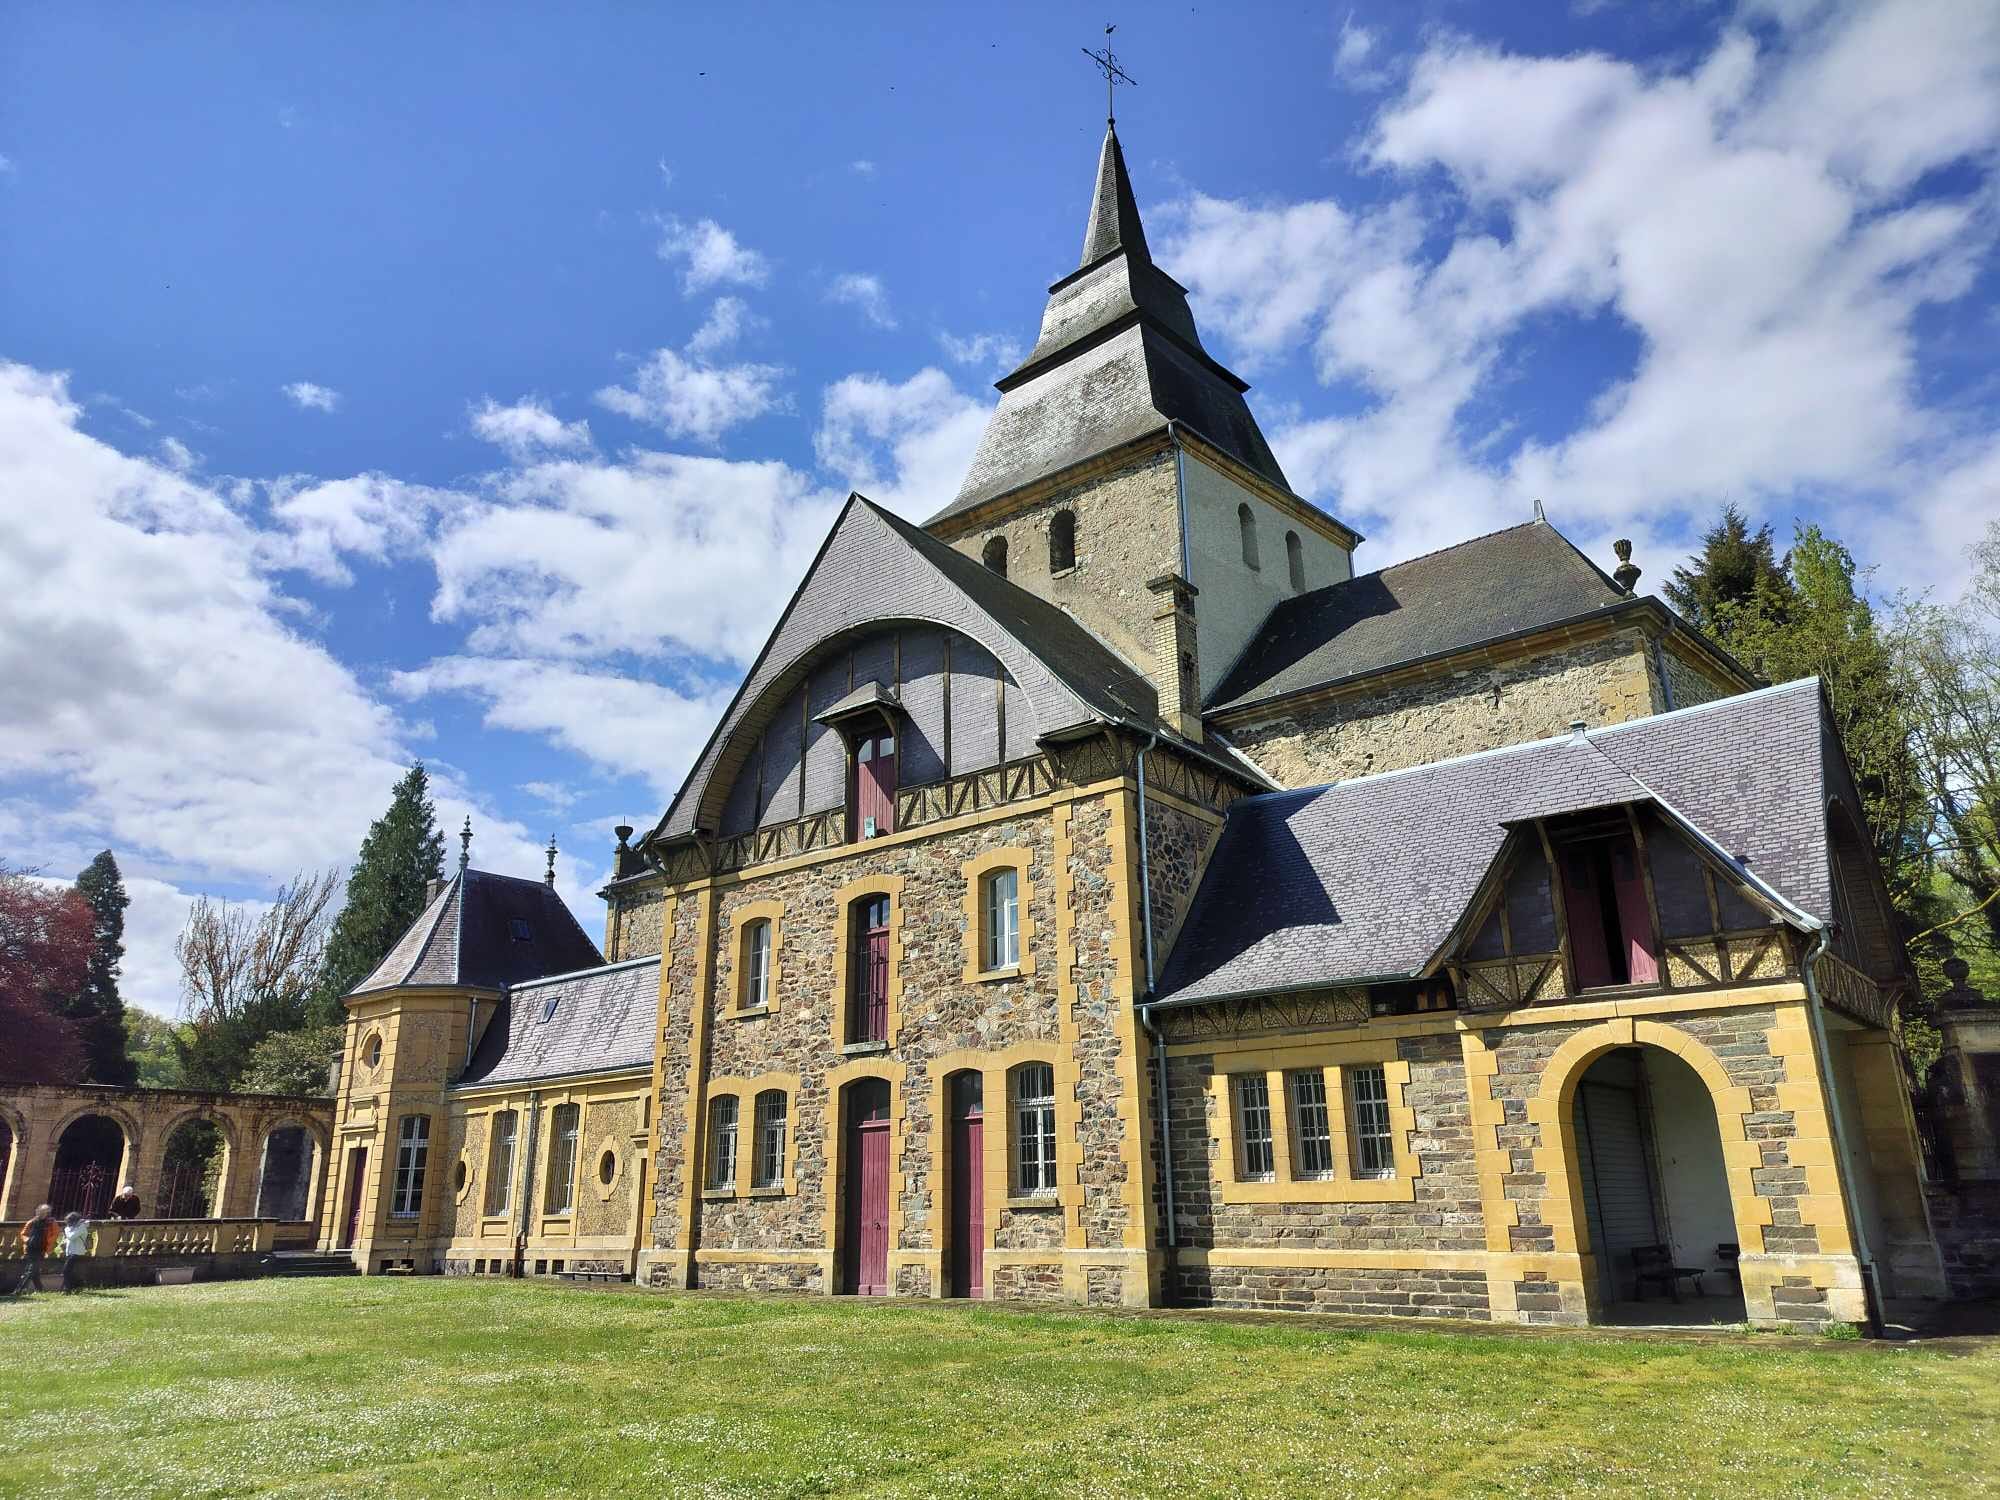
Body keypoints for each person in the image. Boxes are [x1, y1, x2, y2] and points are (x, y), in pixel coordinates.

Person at [12, 1205, 58, 1296]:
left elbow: (55, 1234)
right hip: (30, 1248)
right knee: (34, 1271)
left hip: (41, 1249)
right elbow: (23, 1233)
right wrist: (27, 1240)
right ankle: (40, 1290)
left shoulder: (51, 1222)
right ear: (38, 1212)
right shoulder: (32, 1221)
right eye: (42, 1211)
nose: (44, 1213)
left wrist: (47, 1242)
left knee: (30, 1270)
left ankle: (18, 1291)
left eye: (46, 1212)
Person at [60, 1212, 91, 1294]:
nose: (68, 1224)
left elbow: (71, 1237)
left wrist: (66, 1229)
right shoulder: (75, 1227)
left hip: (77, 1252)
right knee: (71, 1271)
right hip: (71, 1252)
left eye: (69, 1222)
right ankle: (76, 1287)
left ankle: (67, 1289)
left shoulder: (82, 1227)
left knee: (66, 1271)